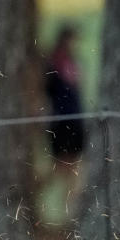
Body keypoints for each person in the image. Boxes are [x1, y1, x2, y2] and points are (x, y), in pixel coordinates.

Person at [43, 24, 86, 216]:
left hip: (75, 121)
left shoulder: (71, 63)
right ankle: (64, 210)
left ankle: (69, 212)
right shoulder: (53, 65)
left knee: (72, 170)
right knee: (61, 169)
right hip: (61, 123)